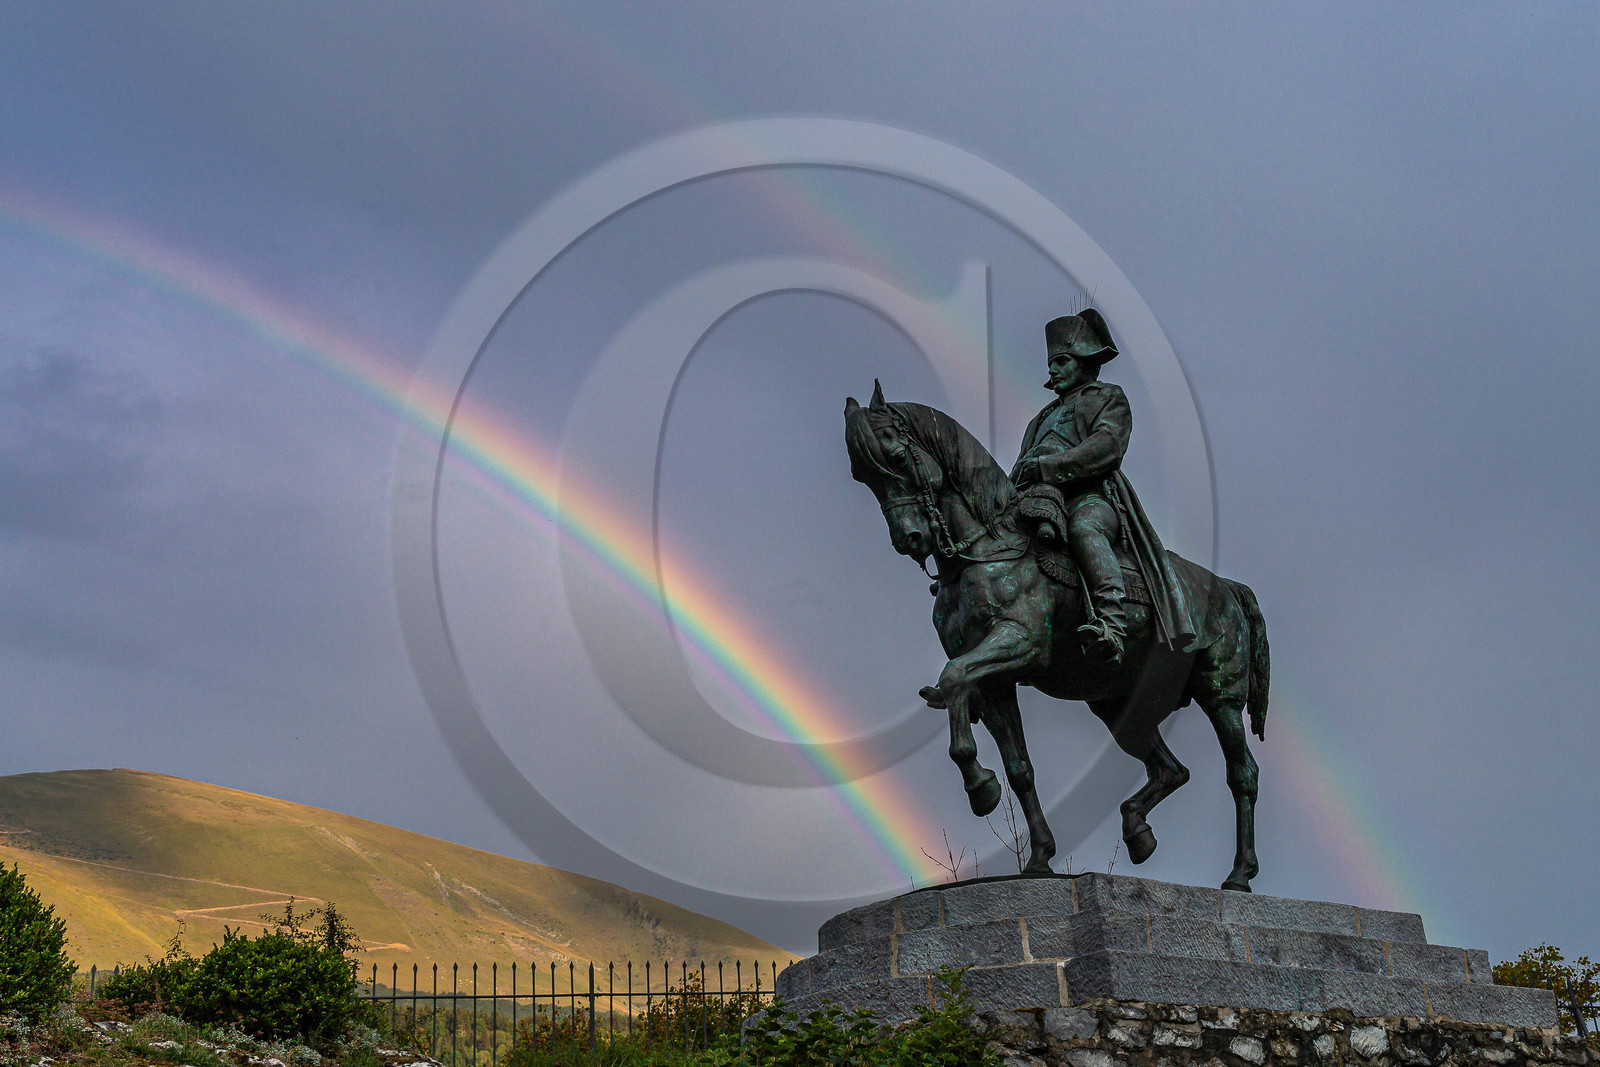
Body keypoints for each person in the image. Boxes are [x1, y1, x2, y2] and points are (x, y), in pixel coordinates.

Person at [1012, 310, 1200, 665]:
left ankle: (1112, 625)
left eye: (1062, 361)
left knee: (1085, 529)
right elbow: (1023, 462)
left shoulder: (1107, 397)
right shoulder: (1040, 418)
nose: (1052, 370)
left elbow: (1107, 447)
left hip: (1092, 497)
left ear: (1085, 362)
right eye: (1051, 363)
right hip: (1039, 502)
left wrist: (1049, 466)